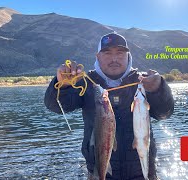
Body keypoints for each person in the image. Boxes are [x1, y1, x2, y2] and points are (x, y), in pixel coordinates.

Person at [44, 32, 174, 180]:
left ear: (128, 56)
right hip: (98, 171)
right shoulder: (86, 83)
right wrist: (63, 84)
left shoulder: (145, 82)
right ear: (97, 57)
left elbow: (164, 113)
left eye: (120, 53)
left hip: (143, 173)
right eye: (107, 53)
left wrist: (159, 89)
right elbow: (54, 106)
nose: (114, 59)